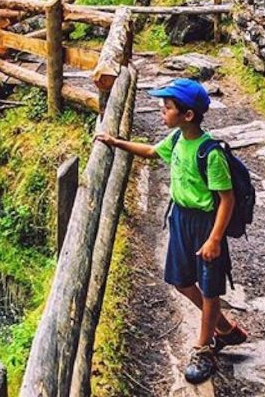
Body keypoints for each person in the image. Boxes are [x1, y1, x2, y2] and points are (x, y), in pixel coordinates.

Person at [96, 77, 247, 385]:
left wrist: (215, 239)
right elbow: (152, 152)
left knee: (210, 287)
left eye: (167, 108)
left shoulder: (209, 153)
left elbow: (226, 199)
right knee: (180, 280)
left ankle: (204, 348)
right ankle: (224, 329)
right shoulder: (177, 139)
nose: (161, 113)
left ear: (187, 115)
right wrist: (116, 142)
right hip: (180, 218)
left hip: (205, 223)